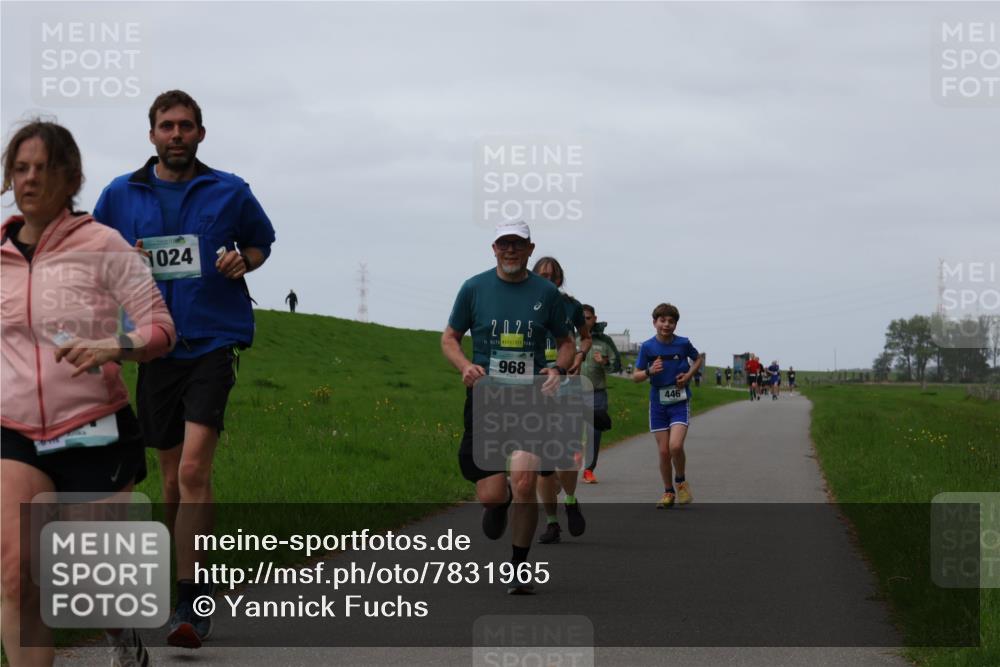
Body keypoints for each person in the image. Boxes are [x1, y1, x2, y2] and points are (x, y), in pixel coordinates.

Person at [93, 90, 276, 648]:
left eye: (186, 126)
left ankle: (192, 601)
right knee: (172, 477)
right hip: (152, 347)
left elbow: (262, 243)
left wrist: (244, 259)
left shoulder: (230, 190)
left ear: (201, 133)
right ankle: (183, 577)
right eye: (166, 126)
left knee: (195, 470)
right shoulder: (120, 194)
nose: (176, 134)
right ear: (151, 135)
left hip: (213, 340)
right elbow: (94, 256)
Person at [1, 120, 176, 667]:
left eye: (45, 168)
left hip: (92, 426)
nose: (31, 179)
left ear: (71, 177)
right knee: (14, 572)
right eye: (21, 168)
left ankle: (121, 635)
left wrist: (113, 347)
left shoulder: (102, 244)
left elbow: (161, 329)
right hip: (14, 431)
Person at [441, 220, 574, 593]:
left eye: (518, 244)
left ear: (531, 249)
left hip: (531, 399)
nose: (511, 250)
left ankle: (519, 567)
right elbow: (450, 338)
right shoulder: (474, 288)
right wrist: (465, 365)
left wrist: (559, 368)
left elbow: (566, 341)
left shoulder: (547, 294)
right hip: (487, 399)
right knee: (493, 494)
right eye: (504, 244)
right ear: (494, 248)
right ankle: (498, 505)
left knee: (526, 479)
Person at [531, 257, 591, 544]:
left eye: (552, 276)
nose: (547, 279)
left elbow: (586, 337)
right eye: (541, 275)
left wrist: (578, 356)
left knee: (565, 454)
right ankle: (552, 523)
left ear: (559, 279)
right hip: (534, 390)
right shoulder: (521, 302)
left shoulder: (572, 306)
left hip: (566, 387)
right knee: (543, 463)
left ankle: (569, 500)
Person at [632, 303, 705, 509]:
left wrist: (689, 375)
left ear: (675, 324)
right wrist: (649, 371)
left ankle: (681, 481)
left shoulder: (683, 343)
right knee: (664, 451)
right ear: (654, 322)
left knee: (675, 446)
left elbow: (697, 359)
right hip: (658, 403)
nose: (666, 324)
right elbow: (635, 376)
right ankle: (668, 492)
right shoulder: (647, 347)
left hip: (680, 401)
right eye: (662, 320)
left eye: (671, 321)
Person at [579, 305, 619, 484]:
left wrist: (605, 362)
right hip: (572, 393)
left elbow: (616, 365)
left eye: (587, 318)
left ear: (594, 318)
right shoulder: (568, 338)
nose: (584, 321)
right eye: (580, 318)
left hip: (597, 394)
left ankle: (588, 469)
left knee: (594, 432)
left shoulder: (605, 341)